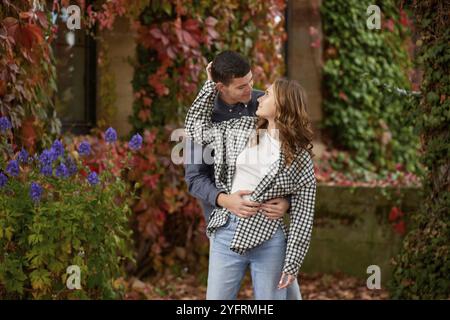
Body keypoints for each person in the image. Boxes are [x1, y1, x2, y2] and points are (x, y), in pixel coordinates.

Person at [184, 62, 316, 300]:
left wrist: (292, 263)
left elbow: (303, 216)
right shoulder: (243, 128)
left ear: (282, 105)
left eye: (267, 94)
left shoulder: (300, 159)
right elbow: (196, 129)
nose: (259, 97)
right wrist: (208, 87)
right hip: (226, 233)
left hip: (269, 240)